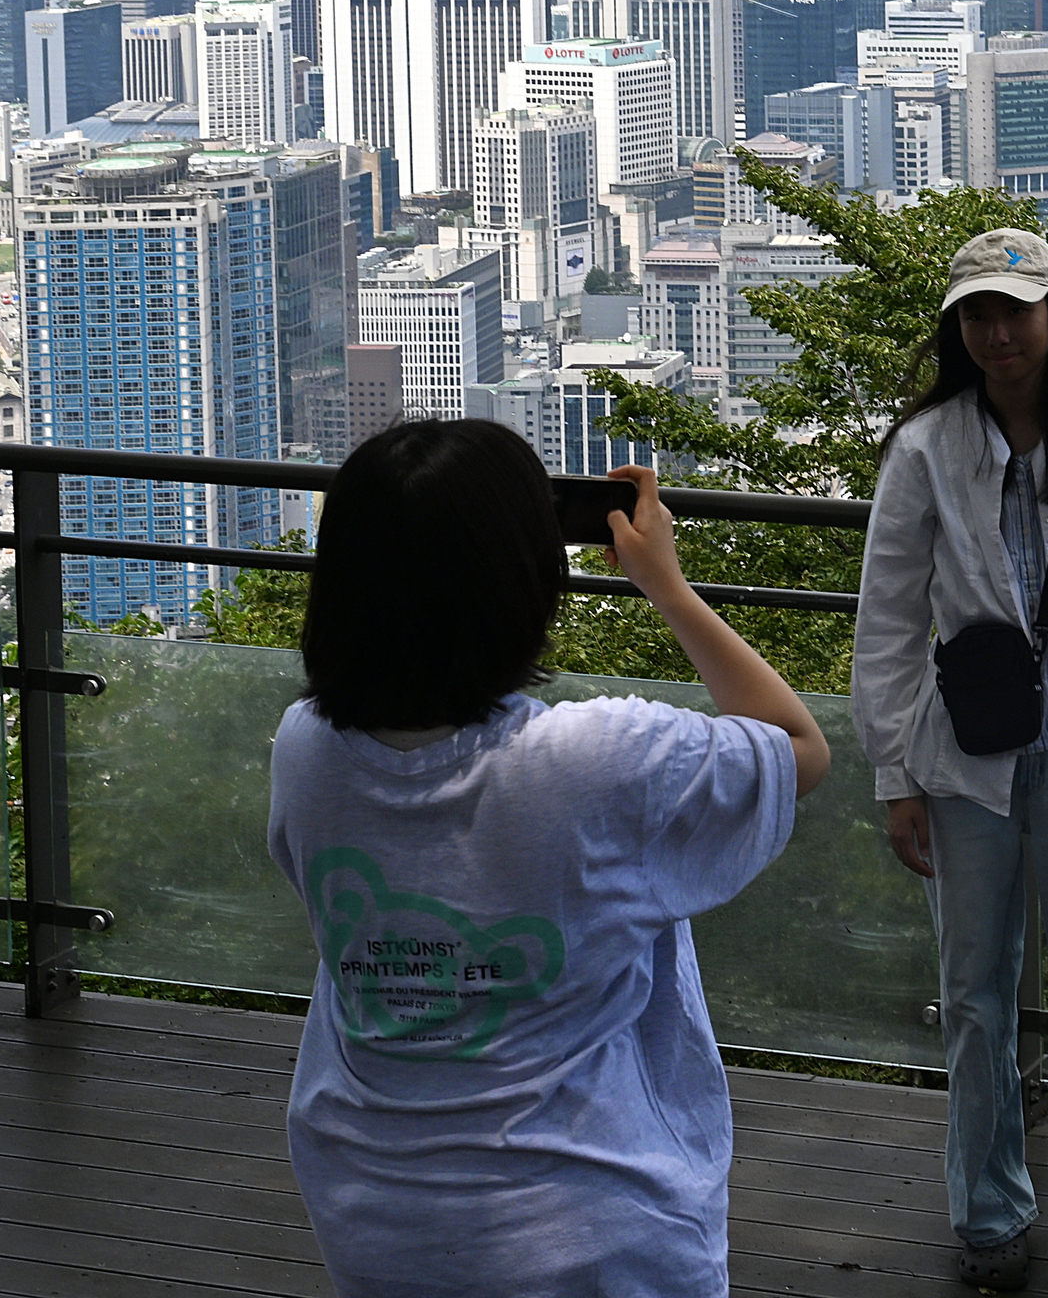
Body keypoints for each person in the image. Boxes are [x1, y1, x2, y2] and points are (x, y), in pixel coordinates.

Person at [267, 420, 832, 1298]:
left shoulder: (305, 750)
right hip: (591, 1225)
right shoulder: (595, 756)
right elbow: (798, 747)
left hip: (372, 1211)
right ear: (518, 577)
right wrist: (668, 587)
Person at [857, 228, 1048, 1293]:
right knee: (975, 994)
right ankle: (988, 1210)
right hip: (963, 759)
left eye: (1015, 310)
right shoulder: (925, 448)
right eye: (977, 315)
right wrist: (892, 775)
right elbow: (889, 622)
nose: (996, 332)